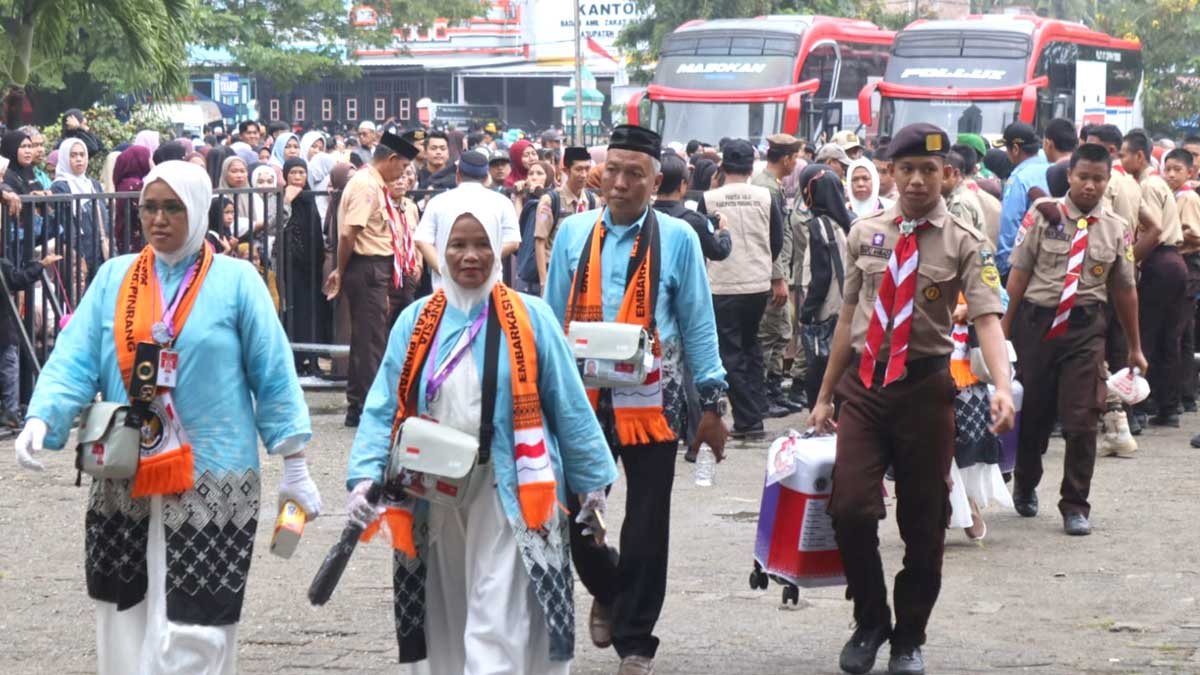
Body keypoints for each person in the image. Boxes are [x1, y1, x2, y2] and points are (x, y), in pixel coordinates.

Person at [13, 160, 321, 674]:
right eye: (149, 208)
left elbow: (273, 372)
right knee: (123, 607)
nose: (158, 220)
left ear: (198, 210)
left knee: (198, 619)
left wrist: (295, 462)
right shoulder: (115, 278)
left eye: (173, 208)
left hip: (211, 473)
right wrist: (43, 417)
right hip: (126, 467)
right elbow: (75, 356)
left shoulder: (237, 281)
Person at [345, 203, 618, 673]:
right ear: (440, 249)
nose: (470, 256)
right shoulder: (416, 321)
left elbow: (569, 403)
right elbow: (384, 405)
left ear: (499, 249)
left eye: (481, 245)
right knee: (445, 611)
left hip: (510, 490)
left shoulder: (532, 317)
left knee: (498, 616)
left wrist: (591, 482)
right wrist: (364, 477)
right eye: (457, 244)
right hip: (433, 491)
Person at [807, 123, 1014, 675]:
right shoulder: (865, 232)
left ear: (946, 173)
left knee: (924, 520)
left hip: (925, 389)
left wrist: (1000, 385)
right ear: (891, 173)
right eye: (907, 169)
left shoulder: (965, 240)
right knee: (850, 506)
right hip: (866, 387)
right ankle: (871, 618)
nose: (918, 180)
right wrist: (825, 395)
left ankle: (909, 636)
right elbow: (848, 317)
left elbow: (987, 318)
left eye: (929, 170)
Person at [544, 125, 728, 675]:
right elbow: (550, 321)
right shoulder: (573, 233)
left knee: (647, 522)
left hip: (654, 399)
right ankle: (608, 586)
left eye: (635, 175)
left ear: (655, 182)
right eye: (613, 172)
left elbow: (697, 322)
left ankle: (636, 641)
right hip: (583, 398)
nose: (621, 184)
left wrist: (713, 402)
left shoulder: (678, 239)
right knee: (576, 516)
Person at [1003, 143, 1145, 535]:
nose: (1090, 185)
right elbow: (1019, 275)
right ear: (1069, 176)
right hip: (1037, 326)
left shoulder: (1116, 228)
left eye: (1098, 179)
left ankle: (1075, 504)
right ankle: (1026, 482)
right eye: (1083, 177)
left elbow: (1125, 289)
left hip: (1085, 329)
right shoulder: (1042, 214)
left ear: (1108, 180)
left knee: (1083, 419)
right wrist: (1002, 332)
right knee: (1034, 415)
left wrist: (1135, 347)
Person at [323, 131, 421, 427]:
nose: (402, 174)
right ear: (391, 159)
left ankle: (358, 406)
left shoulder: (374, 183)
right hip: (367, 266)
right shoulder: (367, 185)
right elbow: (348, 233)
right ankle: (370, 408)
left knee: (368, 338)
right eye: (402, 167)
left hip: (374, 266)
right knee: (372, 341)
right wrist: (341, 270)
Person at [698, 138, 783, 439]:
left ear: (723, 166)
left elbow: (704, 242)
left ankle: (747, 419)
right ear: (750, 167)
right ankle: (756, 409)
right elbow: (776, 239)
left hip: (723, 283)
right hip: (757, 283)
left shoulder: (709, 199)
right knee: (752, 346)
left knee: (730, 352)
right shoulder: (765, 196)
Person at [1121, 129, 1186, 428]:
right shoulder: (1159, 183)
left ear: (1139, 156)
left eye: (1124, 154)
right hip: (1175, 262)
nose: (1121, 160)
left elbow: (1153, 231)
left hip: (1158, 261)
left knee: (1144, 336)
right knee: (1169, 338)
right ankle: (1168, 407)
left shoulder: (1147, 185)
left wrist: (1130, 260)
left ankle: (1137, 408)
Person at [414, 150, 521, 288]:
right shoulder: (502, 202)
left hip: (445, 289)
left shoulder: (438, 202)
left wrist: (445, 270)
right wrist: (483, 260)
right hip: (489, 286)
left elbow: (422, 241)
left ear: (458, 175)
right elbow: (512, 242)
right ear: (486, 177)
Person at [754, 133, 805, 417]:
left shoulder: (770, 185)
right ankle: (763, 395)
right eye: (794, 158)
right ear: (786, 159)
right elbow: (770, 238)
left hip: (777, 271)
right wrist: (777, 278)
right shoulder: (768, 189)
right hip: (772, 275)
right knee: (770, 333)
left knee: (781, 331)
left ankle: (772, 391)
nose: (795, 163)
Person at [794, 164, 852, 407]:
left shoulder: (818, 226)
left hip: (826, 311)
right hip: (848, 308)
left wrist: (805, 314)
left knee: (819, 374)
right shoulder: (850, 222)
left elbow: (821, 276)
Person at [0, 252, 61, 428]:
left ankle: (10, 411)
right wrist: (41, 264)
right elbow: (19, 279)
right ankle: (10, 412)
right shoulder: (2, 265)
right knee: (9, 369)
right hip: (3, 331)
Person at [1162, 148, 1200, 422]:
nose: (1171, 174)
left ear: (1190, 172)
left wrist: (1173, 237)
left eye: (1177, 169)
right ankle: (1184, 395)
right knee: (1184, 334)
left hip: (1187, 267)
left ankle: (1175, 397)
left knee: (1176, 334)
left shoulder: (1188, 197)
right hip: (1184, 268)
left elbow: (1195, 235)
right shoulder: (1176, 195)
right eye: (1168, 169)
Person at [280, 158, 327, 375]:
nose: (298, 177)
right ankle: (296, 360)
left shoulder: (310, 197)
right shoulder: (281, 197)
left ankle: (312, 359)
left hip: (312, 265)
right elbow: (275, 224)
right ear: (285, 175)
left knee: (312, 312)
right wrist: (286, 201)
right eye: (293, 173)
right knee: (294, 311)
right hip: (291, 266)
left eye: (301, 172)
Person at [533, 146, 598, 287]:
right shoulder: (550, 201)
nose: (584, 174)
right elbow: (540, 241)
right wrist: (544, 281)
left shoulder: (593, 201)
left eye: (587, 169)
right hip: (557, 271)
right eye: (578, 169)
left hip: (584, 273)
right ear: (566, 171)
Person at [997, 123, 1049, 279]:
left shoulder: (1019, 178)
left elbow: (1010, 222)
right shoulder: (1052, 167)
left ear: (1015, 149)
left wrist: (1003, 266)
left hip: (1023, 263)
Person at [51, 138, 109, 275]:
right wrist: (77, 254)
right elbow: (66, 223)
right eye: (73, 155)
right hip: (79, 251)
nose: (79, 159)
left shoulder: (93, 185)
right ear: (64, 158)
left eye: (82, 155)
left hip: (100, 249)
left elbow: (104, 216)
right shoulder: (60, 186)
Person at [385, 164, 422, 326]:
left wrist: (419, 263)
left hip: (409, 271)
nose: (400, 182)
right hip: (390, 272)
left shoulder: (411, 207)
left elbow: (417, 238)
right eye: (394, 179)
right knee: (386, 317)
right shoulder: (381, 207)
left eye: (403, 178)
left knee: (411, 317)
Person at [113, 145, 153, 253]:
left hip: (126, 238)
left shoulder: (125, 182)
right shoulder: (135, 185)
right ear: (140, 160)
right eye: (149, 158)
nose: (151, 161)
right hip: (135, 241)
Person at [942, 151, 988, 234]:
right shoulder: (964, 194)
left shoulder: (959, 204)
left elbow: (959, 239)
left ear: (955, 174)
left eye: (944, 175)